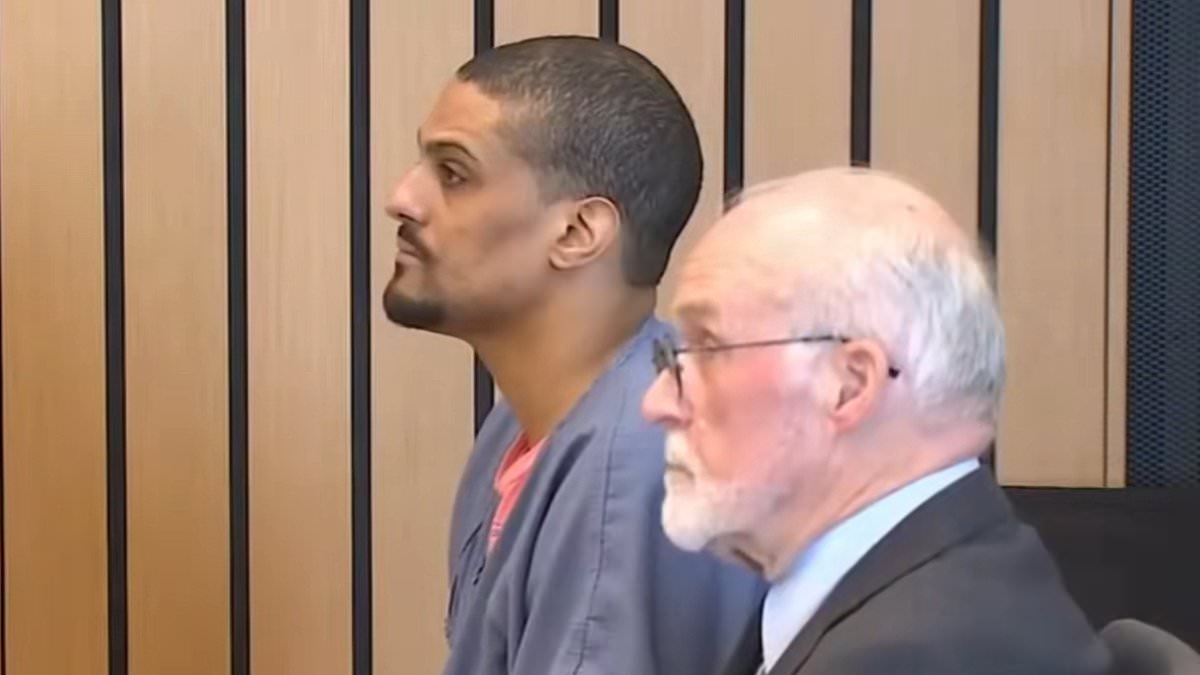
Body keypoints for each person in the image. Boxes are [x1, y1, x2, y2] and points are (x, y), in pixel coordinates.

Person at [381, 35, 766, 675]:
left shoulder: (642, 465)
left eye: (453, 174)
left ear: (577, 232)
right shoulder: (520, 425)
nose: (402, 196)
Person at [641, 167, 1114, 675]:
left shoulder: (914, 655)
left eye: (707, 348)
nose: (656, 402)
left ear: (849, 385)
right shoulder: (921, 588)